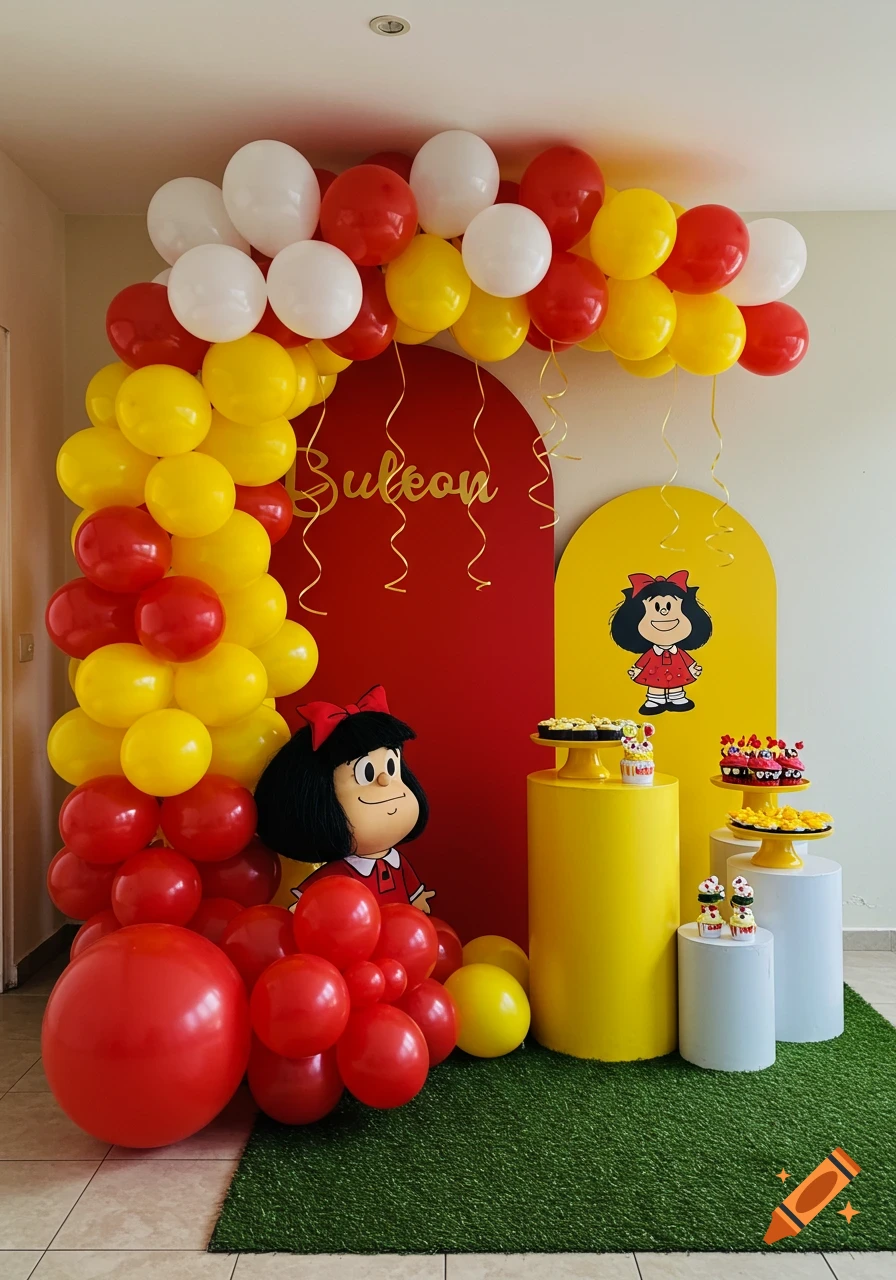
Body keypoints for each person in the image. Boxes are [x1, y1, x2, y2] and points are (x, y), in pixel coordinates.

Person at [254, 685, 434, 911]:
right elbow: (313, 899)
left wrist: (418, 901)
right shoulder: (341, 873)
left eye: (391, 767)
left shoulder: (397, 863)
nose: (385, 781)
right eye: (366, 773)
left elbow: (411, 889)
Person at [610, 570, 712, 714]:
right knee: (654, 684)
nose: (664, 612)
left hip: (677, 673)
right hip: (654, 671)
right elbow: (642, 662)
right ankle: (655, 699)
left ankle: (677, 697)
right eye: (657, 608)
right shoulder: (652, 653)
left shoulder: (678, 652)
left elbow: (687, 661)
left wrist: (693, 668)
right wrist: (636, 670)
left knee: (677, 684)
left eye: (670, 607)